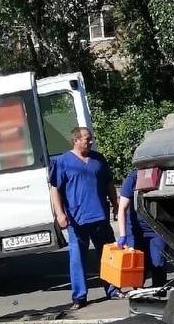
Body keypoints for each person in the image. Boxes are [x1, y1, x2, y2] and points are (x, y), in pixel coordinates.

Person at [49, 126, 120, 312]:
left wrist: (116, 204)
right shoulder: (63, 161)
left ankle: (113, 289)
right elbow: (55, 188)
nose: (91, 142)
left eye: (91, 139)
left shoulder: (98, 159)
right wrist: (60, 213)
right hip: (77, 219)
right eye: (87, 139)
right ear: (75, 140)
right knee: (77, 258)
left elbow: (109, 183)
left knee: (107, 255)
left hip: (100, 216)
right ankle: (79, 297)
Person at [117, 169, 168, 289]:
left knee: (158, 262)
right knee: (138, 266)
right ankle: (138, 293)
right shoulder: (133, 178)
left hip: (157, 230)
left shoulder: (162, 175)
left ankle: (159, 293)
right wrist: (123, 235)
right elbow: (122, 208)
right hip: (135, 231)